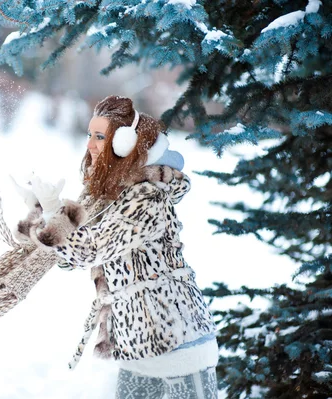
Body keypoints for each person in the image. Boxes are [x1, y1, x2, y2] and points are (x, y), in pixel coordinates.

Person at [14, 96, 218, 399]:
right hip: (135, 346)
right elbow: (70, 257)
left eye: (100, 136)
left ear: (125, 142)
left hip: (178, 345)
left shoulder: (147, 197)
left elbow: (90, 249)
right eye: (89, 135)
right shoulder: (107, 196)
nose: (91, 145)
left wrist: (55, 216)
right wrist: (43, 214)